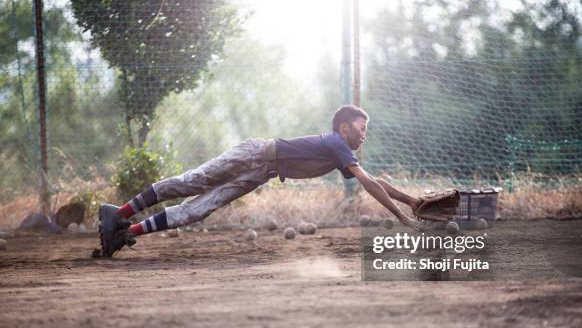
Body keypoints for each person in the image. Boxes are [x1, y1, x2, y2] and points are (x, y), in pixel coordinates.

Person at [98, 105, 425, 257]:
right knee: (192, 182)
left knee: (199, 210)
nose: (364, 134)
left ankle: (124, 232)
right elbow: (369, 183)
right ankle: (120, 213)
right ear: (344, 129)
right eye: (361, 127)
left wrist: (411, 202)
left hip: (262, 171)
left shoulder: (341, 151)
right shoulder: (338, 144)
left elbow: (375, 180)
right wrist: (400, 217)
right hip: (258, 154)